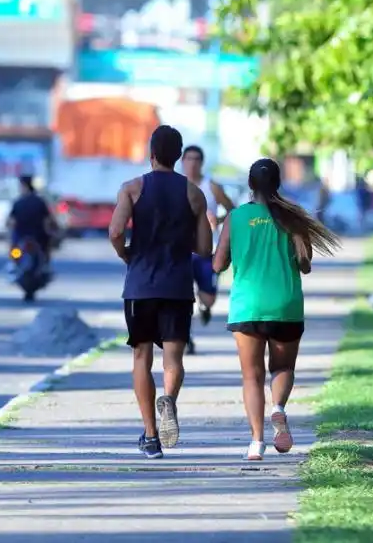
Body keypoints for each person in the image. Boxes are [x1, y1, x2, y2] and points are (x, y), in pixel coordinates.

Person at [212, 158, 340, 461]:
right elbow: (305, 265)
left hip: (248, 307)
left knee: (251, 377)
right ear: (278, 184)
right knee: (282, 368)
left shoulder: (236, 217)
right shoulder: (292, 218)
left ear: (250, 185)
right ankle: (278, 409)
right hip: (286, 304)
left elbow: (218, 265)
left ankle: (256, 443)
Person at [108, 125, 214, 460]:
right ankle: (168, 398)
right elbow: (204, 247)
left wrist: (127, 253)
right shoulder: (194, 193)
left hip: (140, 286)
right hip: (178, 286)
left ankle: (151, 436)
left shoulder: (132, 188)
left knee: (141, 357)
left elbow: (114, 232)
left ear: (151, 153)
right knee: (174, 358)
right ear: (180, 156)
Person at [181, 144, 235, 354]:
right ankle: (186, 338)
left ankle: (204, 308)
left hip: (206, 250)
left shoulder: (211, 186)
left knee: (208, 298)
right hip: (182, 252)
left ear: (201, 163)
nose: (192, 163)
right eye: (188, 159)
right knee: (183, 297)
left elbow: (232, 210)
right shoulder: (177, 185)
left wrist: (218, 219)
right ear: (182, 162)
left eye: (196, 159)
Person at [6, 174, 57, 265]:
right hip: (38, 235)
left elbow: (10, 221)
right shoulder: (40, 201)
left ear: (24, 186)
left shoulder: (18, 203)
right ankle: (45, 262)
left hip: (22, 234)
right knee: (45, 247)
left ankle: (15, 262)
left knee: (15, 247)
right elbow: (49, 219)